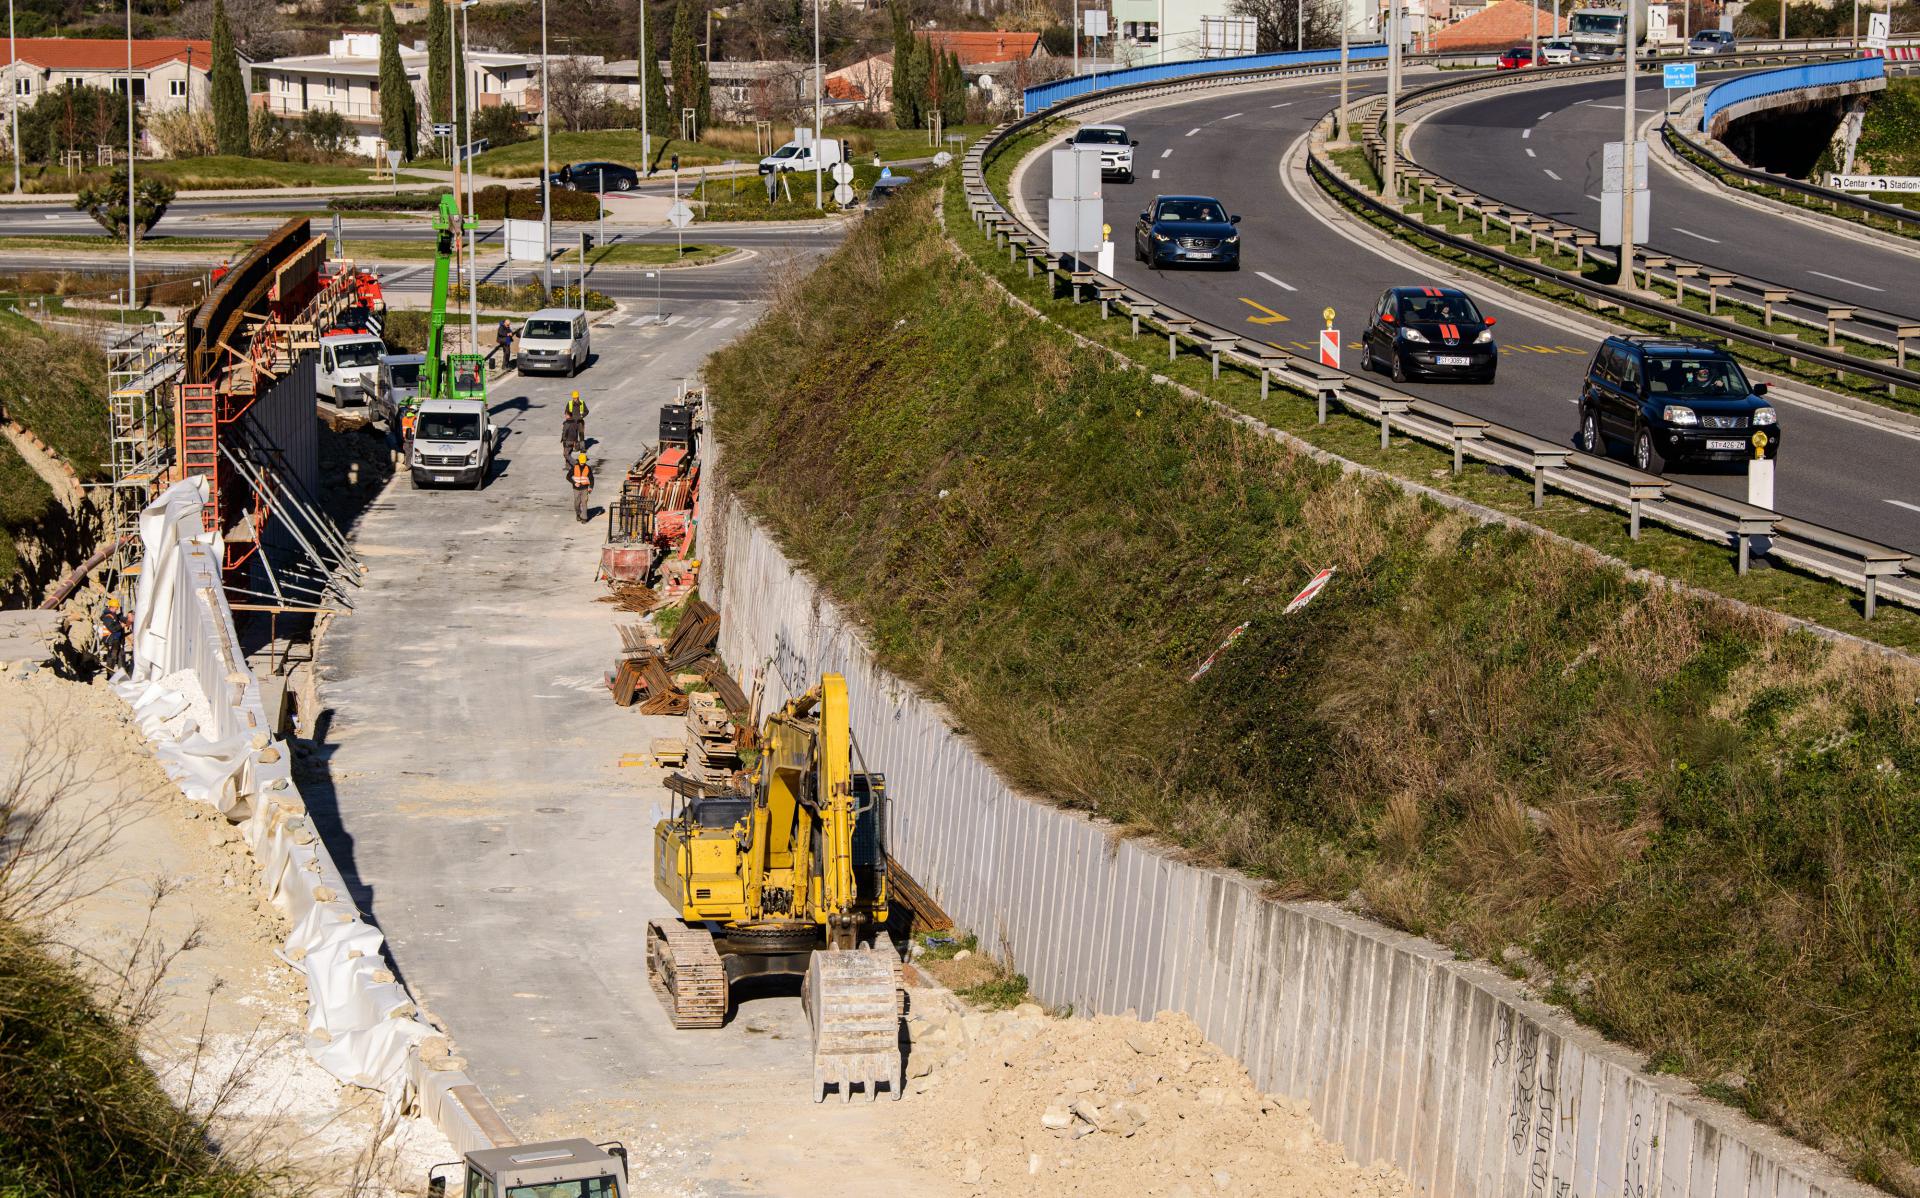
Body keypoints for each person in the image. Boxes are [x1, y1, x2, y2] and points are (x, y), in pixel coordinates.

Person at [96, 596, 131, 675]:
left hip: (116, 639)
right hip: (110, 639)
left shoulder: (114, 615)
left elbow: (121, 618)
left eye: (117, 608)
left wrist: (128, 620)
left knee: (121, 656)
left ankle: (122, 674)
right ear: (111, 607)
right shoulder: (107, 617)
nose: (116, 609)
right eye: (115, 608)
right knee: (112, 656)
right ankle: (109, 675)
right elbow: (112, 628)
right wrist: (121, 626)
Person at [570, 452, 594, 523]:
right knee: (577, 503)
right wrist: (574, 483)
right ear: (579, 461)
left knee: (584, 502)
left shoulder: (588, 468)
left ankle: (584, 518)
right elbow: (568, 477)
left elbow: (591, 478)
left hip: (585, 488)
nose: (583, 464)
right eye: (582, 462)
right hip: (576, 489)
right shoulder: (574, 467)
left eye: (584, 462)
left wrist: (591, 487)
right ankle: (578, 514)